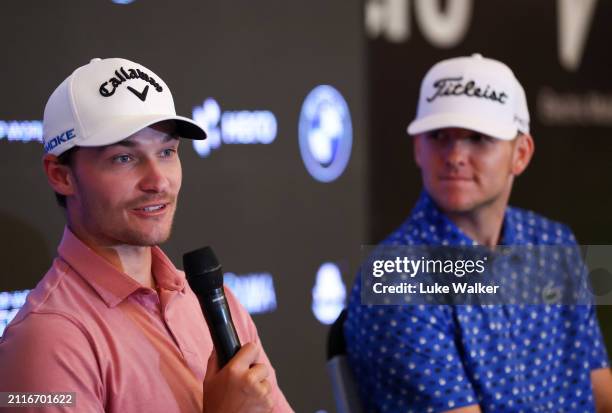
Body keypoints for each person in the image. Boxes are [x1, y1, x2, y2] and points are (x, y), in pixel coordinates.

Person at [0, 57, 292, 413]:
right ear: (61, 175)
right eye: (124, 158)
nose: (158, 181)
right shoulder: (45, 340)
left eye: (167, 152)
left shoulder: (215, 302)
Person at [344, 54, 612, 412]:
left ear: (521, 153)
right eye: (438, 136)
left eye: (478, 138)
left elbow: (599, 388)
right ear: (417, 149)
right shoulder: (396, 277)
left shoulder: (553, 241)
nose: (455, 155)